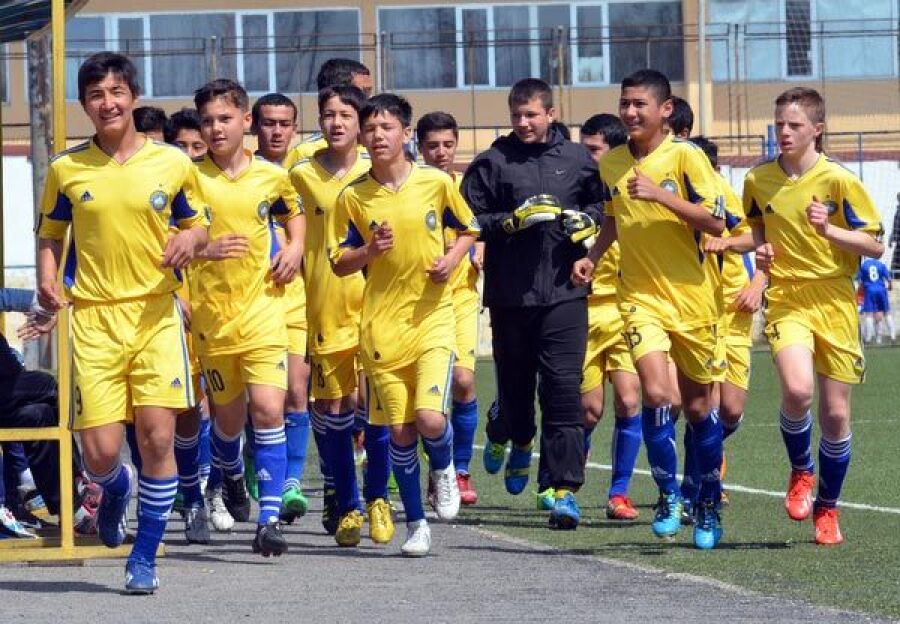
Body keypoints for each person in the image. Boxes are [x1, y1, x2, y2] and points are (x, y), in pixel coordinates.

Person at [36, 52, 208, 593]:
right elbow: (51, 235)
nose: (107, 103)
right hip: (94, 319)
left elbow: (199, 225)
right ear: (84, 104)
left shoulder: (172, 163)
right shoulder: (67, 169)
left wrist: (189, 239)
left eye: (116, 92)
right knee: (101, 453)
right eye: (96, 95)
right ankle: (115, 488)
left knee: (157, 437)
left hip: (156, 315)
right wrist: (47, 280)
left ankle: (144, 557)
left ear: (133, 96)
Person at [572, 69, 726, 549]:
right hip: (639, 298)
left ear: (665, 110)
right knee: (657, 395)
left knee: (698, 408)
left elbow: (716, 221)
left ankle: (706, 500)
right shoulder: (613, 163)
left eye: (640, 104)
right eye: (625, 103)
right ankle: (668, 496)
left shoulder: (686, 157)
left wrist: (661, 195)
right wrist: (593, 256)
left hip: (692, 298)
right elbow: (614, 218)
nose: (630, 112)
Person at [327, 93, 475, 556]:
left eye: (387, 127)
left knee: (430, 419)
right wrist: (369, 251)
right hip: (381, 330)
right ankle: (416, 524)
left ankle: (444, 467)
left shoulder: (435, 182)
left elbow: (469, 229)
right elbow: (338, 262)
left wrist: (451, 259)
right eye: (370, 128)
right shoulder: (353, 197)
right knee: (401, 432)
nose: (378, 136)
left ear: (406, 133)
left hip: (432, 318)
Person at [461, 78, 603, 530]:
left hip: (565, 294)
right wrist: (511, 222)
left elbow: (602, 207)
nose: (523, 123)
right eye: (516, 115)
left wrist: (588, 223)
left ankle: (562, 489)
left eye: (531, 115)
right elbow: (466, 220)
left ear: (550, 114)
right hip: (511, 297)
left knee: (563, 392)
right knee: (518, 395)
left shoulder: (578, 159)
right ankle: (510, 430)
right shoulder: (493, 161)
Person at [744, 87, 883, 545]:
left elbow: (875, 244)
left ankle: (828, 506)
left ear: (817, 130)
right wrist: (761, 252)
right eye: (779, 124)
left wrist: (829, 230)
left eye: (794, 125)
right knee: (798, 390)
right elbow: (756, 225)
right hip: (787, 296)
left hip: (835, 298)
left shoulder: (840, 180)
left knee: (836, 415)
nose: (784, 131)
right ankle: (801, 469)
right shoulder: (758, 178)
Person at [190, 78, 304, 556]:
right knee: (228, 422)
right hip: (213, 319)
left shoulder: (271, 176)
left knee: (270, 409)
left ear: (245, 120)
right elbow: (169, 238)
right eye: (208, 121)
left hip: (263, 311)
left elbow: (293, 212)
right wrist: (206, 249)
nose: (216, 129)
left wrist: (295, 247)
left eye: (224, 118)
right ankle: (231, 473)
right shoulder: (188, 177)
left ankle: (269, 520)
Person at [291, 85, 392, 546]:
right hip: (326, 304)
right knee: (332, 408)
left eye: (345, 115)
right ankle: (346, 500)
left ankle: (378, 497)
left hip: (379, 304)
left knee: (379, 404)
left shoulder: (381, 170)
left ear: (360, 122)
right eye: (328, 115)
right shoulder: (300, 175)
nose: (336, 123)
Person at [685, 136, 767, 516]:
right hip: (696, 311)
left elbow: (759, 237)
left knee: (730, 411)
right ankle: (698, 487)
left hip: (734, 309)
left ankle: (704, 467)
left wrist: (754, 281)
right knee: (705, 405)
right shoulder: (671, 196)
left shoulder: (724, 194)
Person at [567, 113, 643, 522]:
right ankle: (569, 478)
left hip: (626, 308)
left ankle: (619, 493)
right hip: (583, 311)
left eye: (593, 150)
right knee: (589, 410)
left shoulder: (631, 189)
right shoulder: (572, 189)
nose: (585, 157)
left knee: (630, 400)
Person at [250, 92, 312, 525]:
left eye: (284, 123)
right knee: (248, 403)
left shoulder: (306, 172)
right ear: (255, 126)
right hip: (247, 302)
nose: (276, 131)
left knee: (295, 391)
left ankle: (290, 482)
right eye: (268, 122)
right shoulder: (240, 171)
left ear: (294, 127)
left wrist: (297, 248)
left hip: (295, 298)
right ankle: (245, 464)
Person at [416, 111, 483, 506]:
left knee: (462, 380)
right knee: (425, 398)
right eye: (432, 146)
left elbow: (478, 226)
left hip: (460, 297)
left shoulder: (466, 187)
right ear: (419, 147)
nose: (441, 152)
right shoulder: (412, 185)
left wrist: (479, 249)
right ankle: (436, 466)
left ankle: (459, 470)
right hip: (418, 301)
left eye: (447, 145)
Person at [283, 59, 373, 169]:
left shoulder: (377, 147)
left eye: (369, 92)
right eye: (362, 92)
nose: (369, 100)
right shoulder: (303, 152)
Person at [858, 257, 894, 344]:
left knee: (869, 314)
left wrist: (860, 293)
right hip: (881, 290)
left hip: (869, 290)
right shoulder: (881, 264)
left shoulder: (864, 266)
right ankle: (892, 335)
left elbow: (860, 282)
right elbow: (889, 279)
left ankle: (868, 338)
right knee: (886, 312)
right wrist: (890, 286)